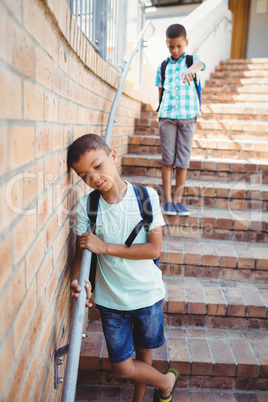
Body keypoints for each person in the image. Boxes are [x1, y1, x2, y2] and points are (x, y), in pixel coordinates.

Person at [67, 134, 180, 402]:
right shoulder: (88, 206)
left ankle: (139, 399)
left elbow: (153, 250)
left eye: (97, 166)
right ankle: (166, 381)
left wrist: (103, 247)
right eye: (84, 176)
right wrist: (76, 280)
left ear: (113, 156)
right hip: (111, 300)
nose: (93, 177)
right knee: (122, 366)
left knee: (144, 354)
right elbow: (81, 252)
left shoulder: (145, 196)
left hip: (146, 294)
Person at [155, 23, 206, 216]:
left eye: (179, 46)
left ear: (186, 43)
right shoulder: (163, 66)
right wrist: (159, 113)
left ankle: (178, 200)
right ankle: (167, 201)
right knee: (168, 159)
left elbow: (201, 65)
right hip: (167, 117)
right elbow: (160, 91)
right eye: (171, 46)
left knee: (182, 160)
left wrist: (189, 69)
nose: (175, 50)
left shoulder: (193, 60)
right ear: (166, 44)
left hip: (187, 118)